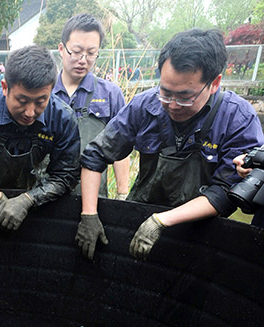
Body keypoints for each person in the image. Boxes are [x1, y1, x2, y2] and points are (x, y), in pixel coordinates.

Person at [79, 28, 264, 261]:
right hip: (139, 215)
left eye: (185, 97)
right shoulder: (143, 106)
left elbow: (226, 192)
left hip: (199, 231)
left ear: (214, 83)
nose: (173, 104)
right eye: (165, 93)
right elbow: (95, 155)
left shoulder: (237, 118)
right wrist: (89, 214)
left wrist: (162, 220)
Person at [0, 44, 80, 232]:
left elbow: (66, 176)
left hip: (32, 209)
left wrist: (28, 200)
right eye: (22, 101)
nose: (30, 112)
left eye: (41, 101)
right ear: (4, 87)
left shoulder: (62, 118)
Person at [52, 13, 130, 203]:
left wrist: (122, 195)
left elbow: (122, 148)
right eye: (76, 51)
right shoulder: (44, 92)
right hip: (47, 195)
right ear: (62, 49)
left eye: (91, 53)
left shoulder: (110, 94)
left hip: (94, 199)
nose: (83, 59)